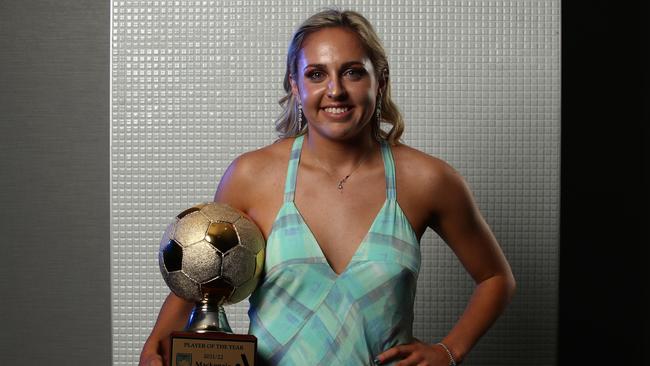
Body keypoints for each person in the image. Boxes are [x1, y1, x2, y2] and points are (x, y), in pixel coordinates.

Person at [140, 9, 515, 366]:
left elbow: (496, 278)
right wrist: (155, 347)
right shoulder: (252, 175)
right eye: (317, 74)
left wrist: (449, 352)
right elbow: (199, 271)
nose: (335, 90)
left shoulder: (427, 179)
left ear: (380, 81)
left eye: (353, 72)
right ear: (296, 85)